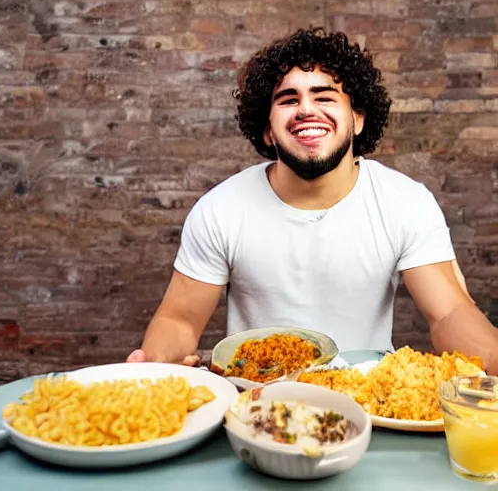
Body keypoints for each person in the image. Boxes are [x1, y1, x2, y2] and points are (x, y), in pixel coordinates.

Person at [127, 27, 498, 374]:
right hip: (258, 405)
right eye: (289, 99)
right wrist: (154, 365)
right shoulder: (220, 209)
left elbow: (449, 313)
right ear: (268, 131)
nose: (306, 109)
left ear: (357, 119)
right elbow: (179, 320)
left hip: (367, 403)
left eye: (324, 96)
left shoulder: (406, 202)